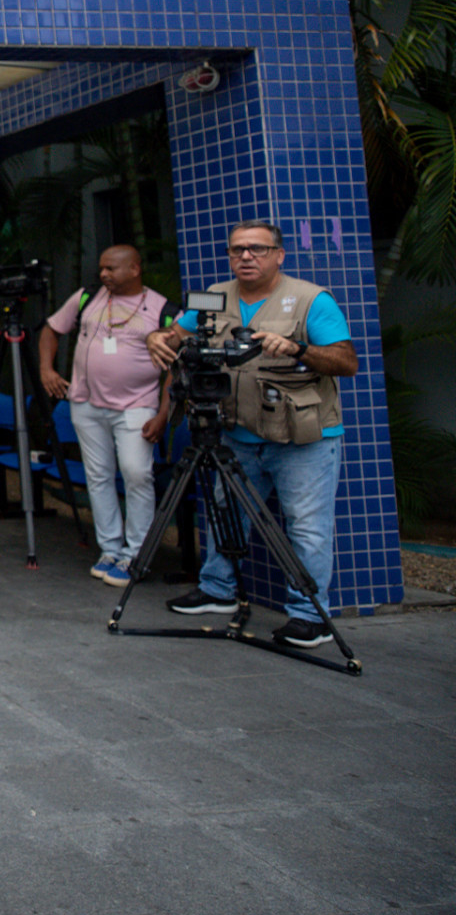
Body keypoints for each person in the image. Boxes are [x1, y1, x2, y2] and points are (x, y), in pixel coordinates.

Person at [145, 219, 358, 649]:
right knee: (226, 511)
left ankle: (308, 616)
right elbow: (175, 332)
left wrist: (298, 348)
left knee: (308, 527)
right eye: (237, 249)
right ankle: (217, 590)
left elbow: (346, 362)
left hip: (304, 437)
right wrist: (156, 336)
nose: (245, 256)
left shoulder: (310, 299)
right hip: (237, 431)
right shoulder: (213, 296)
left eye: (257, 249)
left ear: (279, 254)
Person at [39, 245, 173, 587]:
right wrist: (46, 370)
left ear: (134, 269)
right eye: (101, 268)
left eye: (111, 269)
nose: (103, 274)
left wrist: (163, 412)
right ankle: (110, 549)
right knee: (98, 476)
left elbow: (175, 365)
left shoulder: (161, 309)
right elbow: (51, 329)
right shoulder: (87, 297)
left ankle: (136, 555)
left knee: (136, 473)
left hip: (136, 406)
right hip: (86, 404)